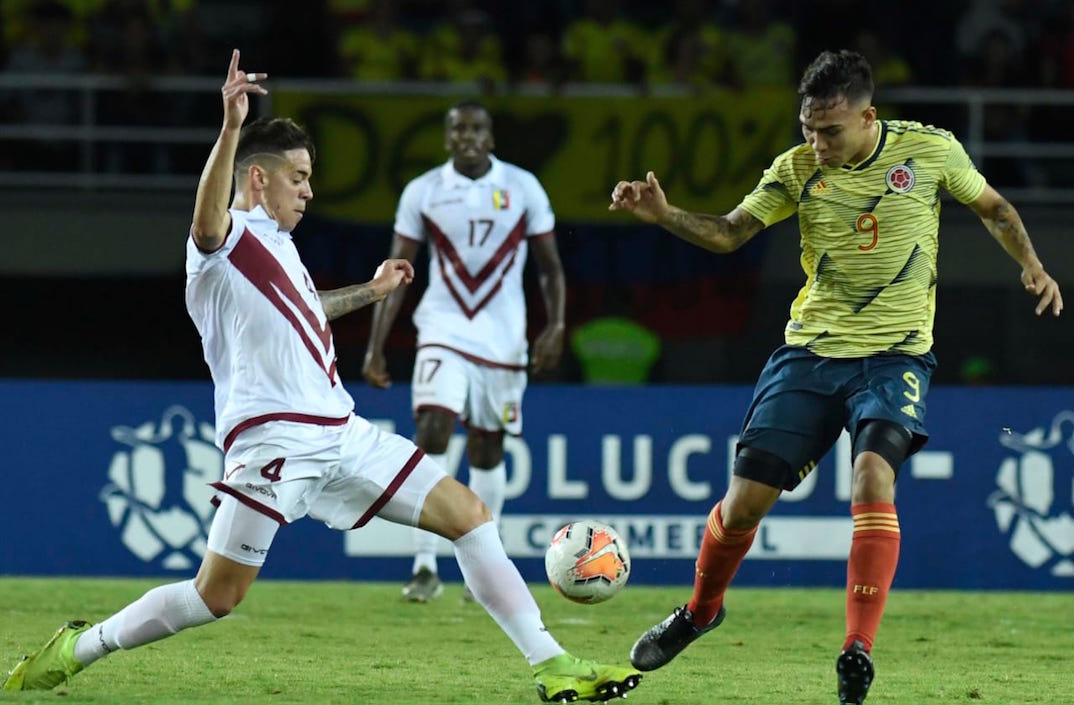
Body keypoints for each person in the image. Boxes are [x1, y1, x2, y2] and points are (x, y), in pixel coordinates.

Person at [3, 50, 641, 705]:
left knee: (470, 515)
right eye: (299, 177)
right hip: (272, 444)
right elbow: (205, 219)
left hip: (342, 431)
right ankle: (80, 647)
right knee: (215, 596)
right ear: (257, 180)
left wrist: (371, 288)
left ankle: (552, 662)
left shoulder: (281, 247)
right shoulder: (223, 245)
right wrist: (229, 129)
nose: (309, 190)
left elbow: (309, 311)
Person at [609, 49, 1062, 705]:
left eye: (829, 131)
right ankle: (701, 611)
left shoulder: (930, 151)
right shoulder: (795, 170)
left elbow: (993, 206)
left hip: (896, 355)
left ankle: (857, 649)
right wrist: (667, 215)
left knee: (872, 477)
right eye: (807, 129)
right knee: (742, 505)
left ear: (867, 116)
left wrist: (1032, 263)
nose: (814, 143)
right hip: (811, 352)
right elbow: (733, 232)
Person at [363, 100, 566, 604]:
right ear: (448, 138)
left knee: (487, 447)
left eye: (477, 129)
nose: (468, 137)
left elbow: (549, 268)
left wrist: (556, 325)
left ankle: (484, 567)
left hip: (503, 339)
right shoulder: (424, 191)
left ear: (491, 137)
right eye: (458, 129)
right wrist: (375, 345)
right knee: (432, 427)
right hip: (442, 329)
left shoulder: (523, 187)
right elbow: (397, 274)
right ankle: (425, 565)